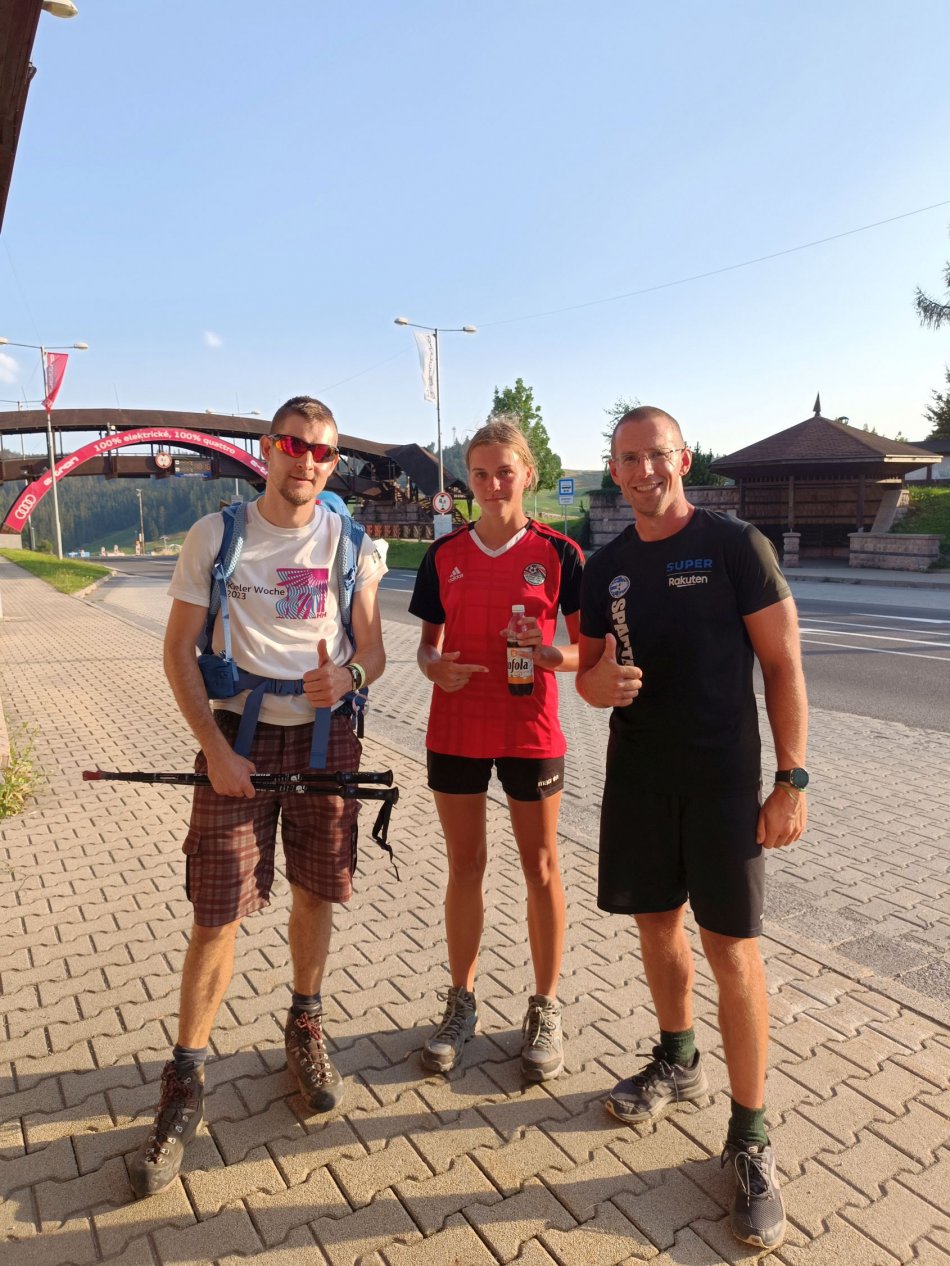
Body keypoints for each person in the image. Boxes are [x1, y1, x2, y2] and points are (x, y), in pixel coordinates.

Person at [128, 396, 387, 1198]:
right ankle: (185, 1077)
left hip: (324, 739)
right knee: (217, 912)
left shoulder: (351, 542)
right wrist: (213, 750)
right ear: (269, 450)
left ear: (333, 463)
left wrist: (349, 674)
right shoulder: (217, 536)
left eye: (322, 451)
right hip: (235, 741)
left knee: (317, 890)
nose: (306, 460)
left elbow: (374, 650)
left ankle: (305, 1021)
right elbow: (178, 649)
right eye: (293, 444)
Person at [577, 406, 807, 1251]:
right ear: (614, 469)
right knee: (655, 927)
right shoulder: (605, 567)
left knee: (732, 950)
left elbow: (783, 665)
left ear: (683, 459)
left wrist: (791, 780)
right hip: (640, 778)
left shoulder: (735, 546)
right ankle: (677, 1059)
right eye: (628, 459)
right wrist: (600, 687)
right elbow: (586, 675)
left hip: (722, 784)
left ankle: (751, 1137)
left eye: (657, 456)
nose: (643, 471)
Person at [408, 418, 584, 1081]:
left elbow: (587, 650)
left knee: (540, 866)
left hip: (528, 728)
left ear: (527, 474)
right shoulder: (444, 554)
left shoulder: (560, 553)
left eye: (504, 472)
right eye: (479, 474)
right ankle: (461, 1002)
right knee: (465, 865)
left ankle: (545, 1005)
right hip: (456, 726)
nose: (491, 485)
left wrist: (552, 656)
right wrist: (434, 668)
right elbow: (426, 647)